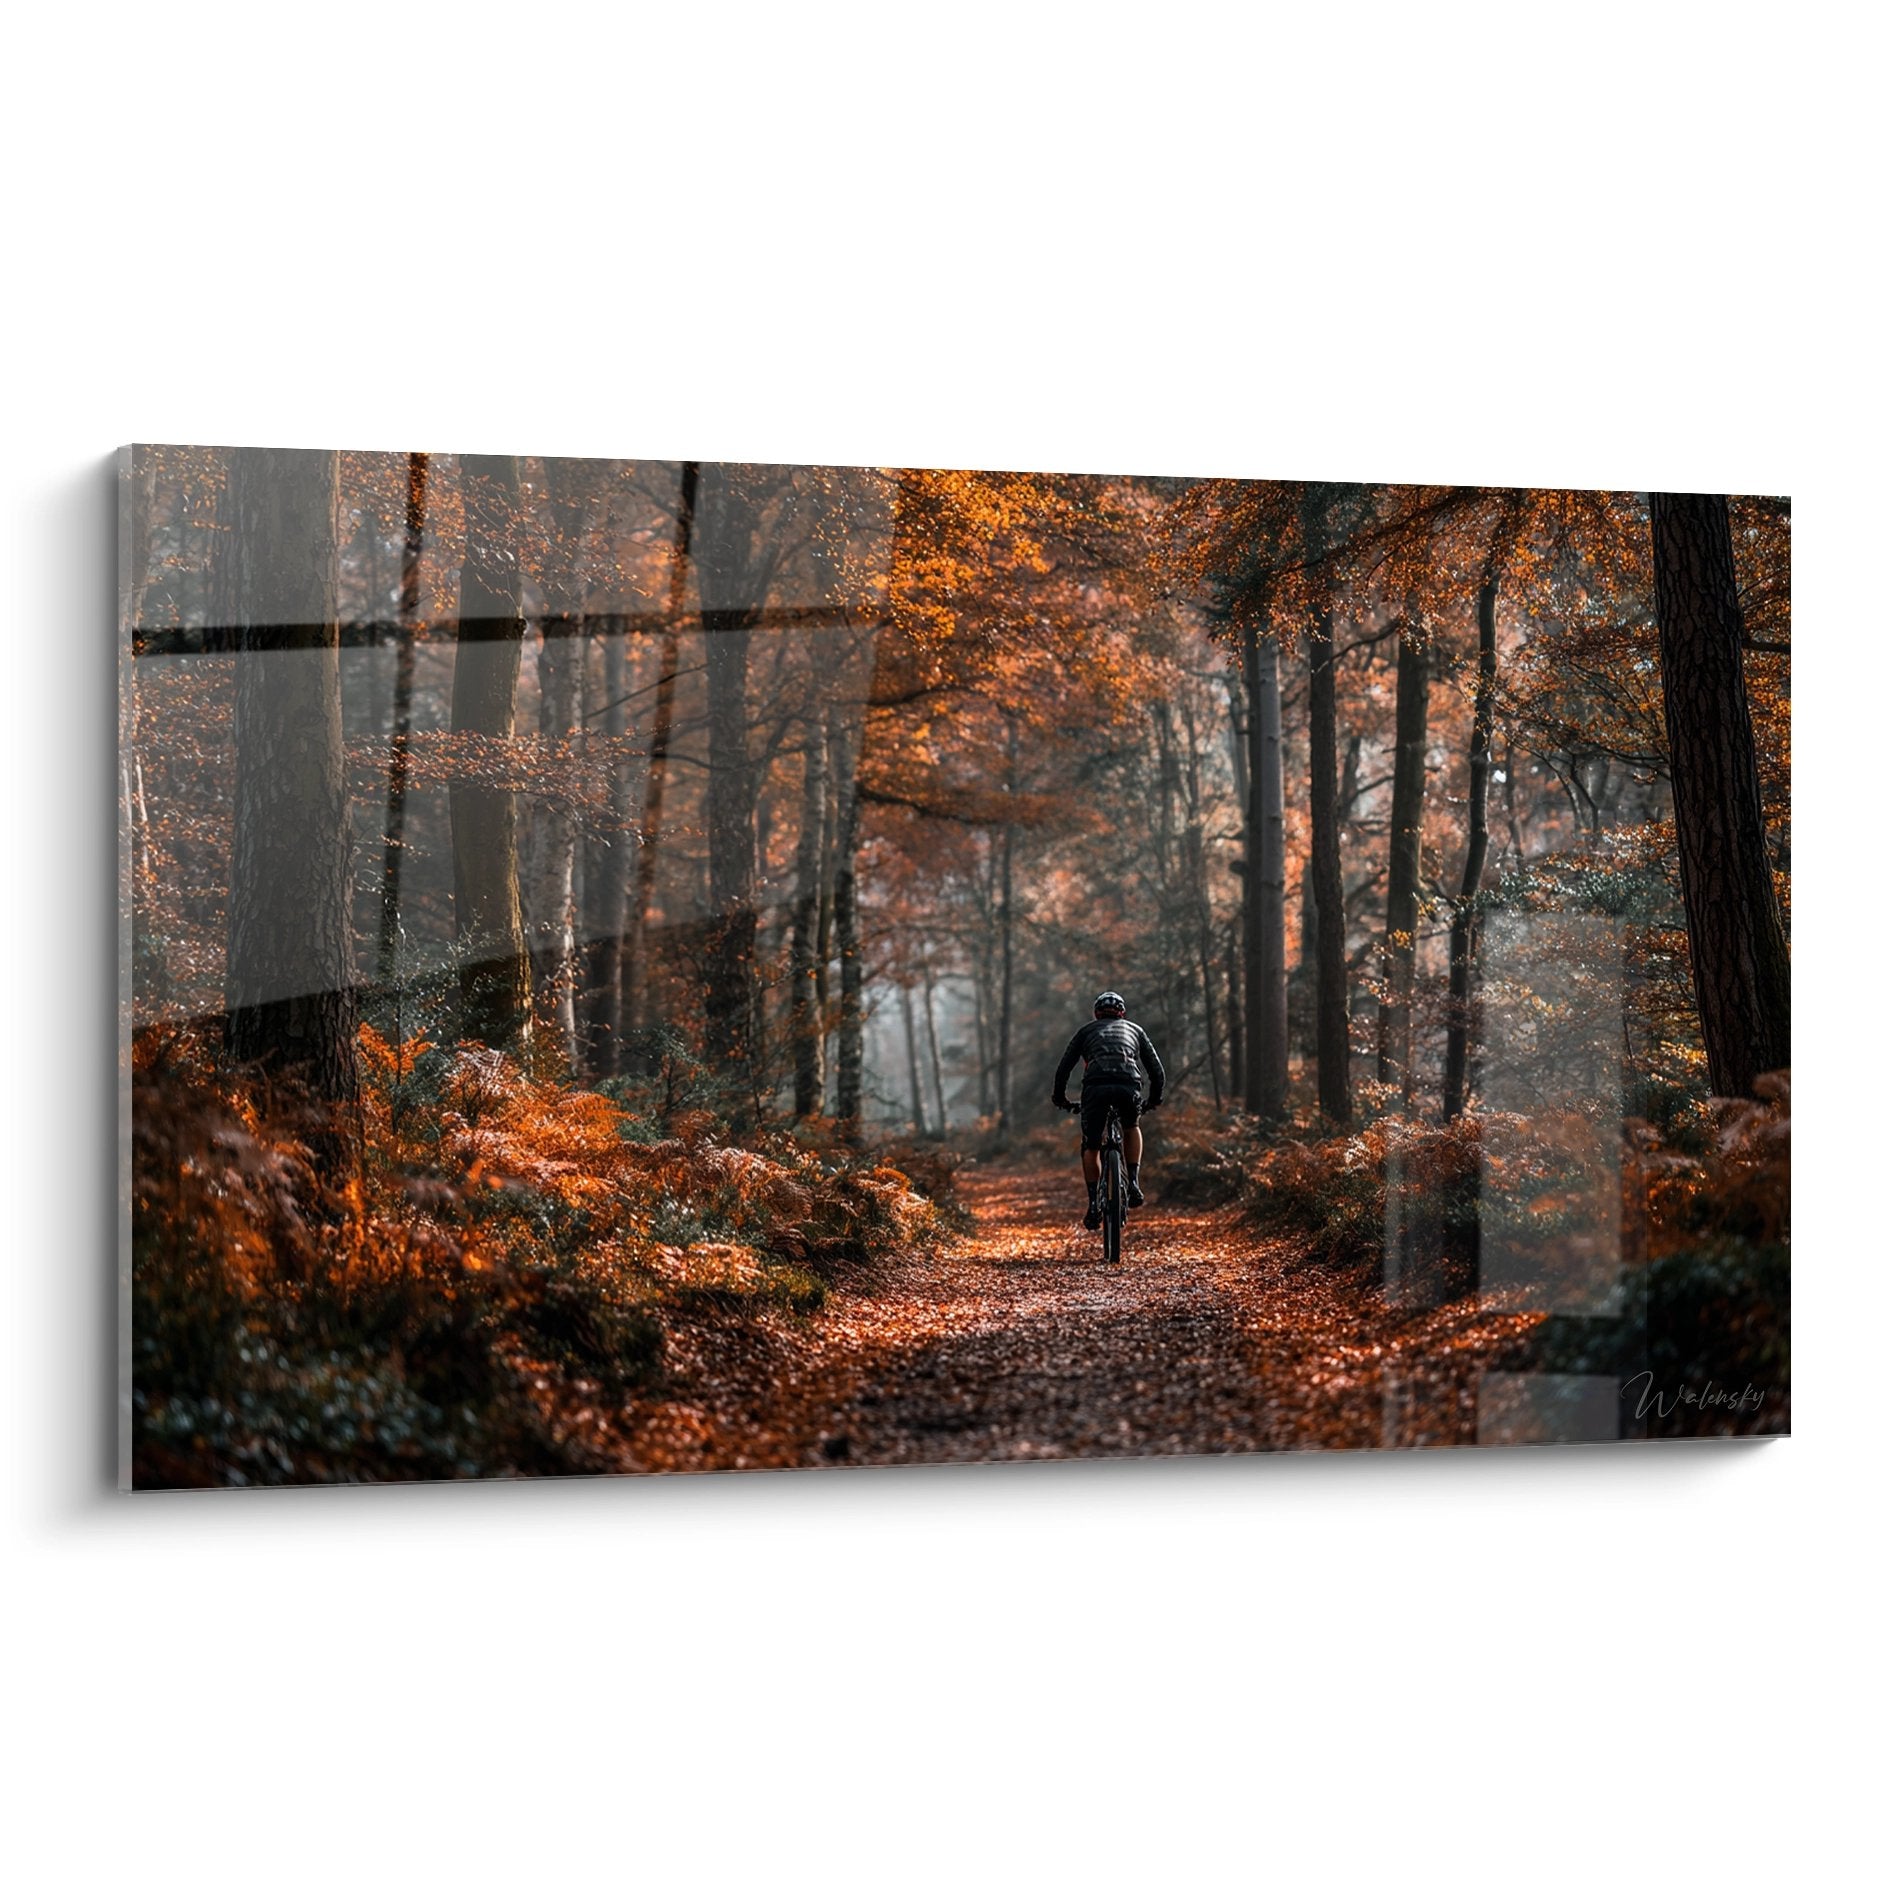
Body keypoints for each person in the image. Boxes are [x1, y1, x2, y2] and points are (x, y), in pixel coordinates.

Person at [1050, 991, 1165, 1229]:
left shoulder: (1086, 1032)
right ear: (1122, 1013)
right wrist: (1153, 1099)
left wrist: (1060, 1098)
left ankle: (1093, 1204)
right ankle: (1133, 1183)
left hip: (1096, 1088)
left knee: (1091, 1145)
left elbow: (1063, 1069)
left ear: (1096, 1014)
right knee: (1131, 1126)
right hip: (1128, 1084)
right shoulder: (1135, 1030)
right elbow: (1157, 1072)